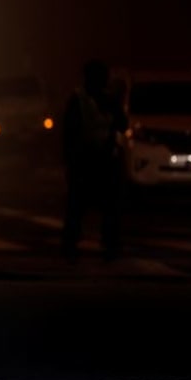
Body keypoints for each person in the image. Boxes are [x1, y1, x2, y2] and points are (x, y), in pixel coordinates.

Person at [60, 58, 128, 261]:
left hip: (104, 160)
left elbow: (123, 125)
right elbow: (69, 132)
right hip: (84, 160)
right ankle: (71, 242)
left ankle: (109, 243)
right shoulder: (78, 100)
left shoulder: (109, 100)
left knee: (109, 206)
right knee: (77, 205)